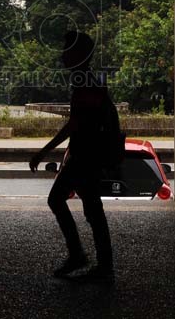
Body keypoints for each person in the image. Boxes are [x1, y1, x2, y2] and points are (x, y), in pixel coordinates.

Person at [29, 31, 117, 282]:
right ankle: (97, 262)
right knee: (89, 207)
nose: (62, 55)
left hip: (86, 157)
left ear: (79, 55)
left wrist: (42, 152)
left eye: (67, 50)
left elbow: (74, 125)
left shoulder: (85, 83)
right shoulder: (86, 80)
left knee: (66, 201)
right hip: (86, 155)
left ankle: (93, 261)